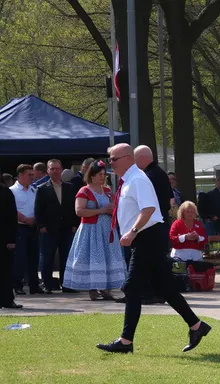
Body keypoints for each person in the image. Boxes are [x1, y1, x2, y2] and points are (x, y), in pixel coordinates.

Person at [96, 143, 210, 354]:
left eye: (113, 159)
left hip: (147, 236)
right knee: (165, 287)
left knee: (131, 287)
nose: (109, 163)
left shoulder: (137, 179)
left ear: (128, 158)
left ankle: (126, 341)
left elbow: (148, 209)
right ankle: (196, 325)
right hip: (147, 237)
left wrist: (132, 231)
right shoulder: (129, 180)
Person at [63, 160, 127, 301]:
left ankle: (106, 289)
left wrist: (113, 211)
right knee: (93, 257)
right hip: (91, 230)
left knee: (107, 257)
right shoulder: (84, 191)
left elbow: (115, 207)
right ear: (91, 176)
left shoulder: (108, 191)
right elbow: (79, 211)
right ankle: (93, 288)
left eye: (103, 174)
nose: (102, 177)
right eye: (99, 174)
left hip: (106, 229)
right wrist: (101, 210)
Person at [34, 159, 79, 292]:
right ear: (48, 171)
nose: (55, 171)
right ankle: (47, 285)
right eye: (52, 169)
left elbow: (73, 208)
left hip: (66, 229)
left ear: (61, 170)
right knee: (47, 258)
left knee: (67, 257)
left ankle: (66, 285)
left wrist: (74, 225)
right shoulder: (42, 189)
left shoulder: (70, 187)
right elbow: (38, 209)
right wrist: (41, 225)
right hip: (48, 229)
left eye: (57, 168)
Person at [10, 165, 46, 295]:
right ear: (20, 175)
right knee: (20, 257)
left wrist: (36, 219)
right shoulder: (12, 191)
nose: (32, 177)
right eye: (29, 175)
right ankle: (17, 285)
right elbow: (11, 210)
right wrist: (25, 219)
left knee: (34, 257)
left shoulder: (33, 190)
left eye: (33, 174)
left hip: (33, 228)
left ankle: (34, 285)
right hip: (20, 227)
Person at [0, 178, 21, 309]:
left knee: (5, 271)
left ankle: (7, 300)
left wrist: (12, 240)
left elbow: (12, 217)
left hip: (4, 238)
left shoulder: (5, 192)